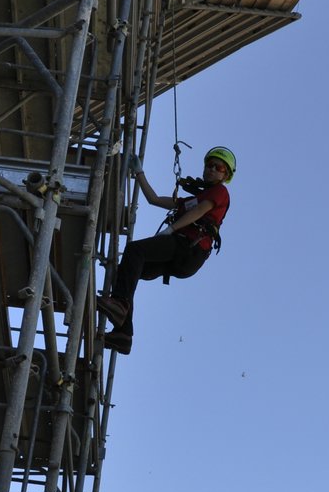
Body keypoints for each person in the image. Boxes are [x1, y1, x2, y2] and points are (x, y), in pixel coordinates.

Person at [97, 146, 234, 353]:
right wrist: (139, 172)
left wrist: (171, 228)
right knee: (126, 273)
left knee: (135, 251)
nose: (212, 169)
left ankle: (119, 305)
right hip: (183, 258)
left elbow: (200, 211)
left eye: (219, 167)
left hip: (188, 247)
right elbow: (154, 199)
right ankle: (123, 335)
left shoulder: (220, 192)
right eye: (209, 165)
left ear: (226, 175)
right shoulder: (190, 200)